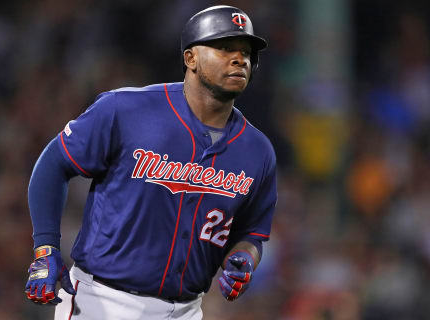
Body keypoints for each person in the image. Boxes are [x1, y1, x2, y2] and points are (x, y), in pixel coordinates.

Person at [24, 5, 277, 320]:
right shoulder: (126, 109)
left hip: (187, 309)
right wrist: (46, 248)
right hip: (101, 302)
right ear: (191, 58)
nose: (240, 59)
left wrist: (245, 258)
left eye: (247, 52)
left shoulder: (258, 150)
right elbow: (52, 165)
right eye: (225, 48)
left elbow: (251, 232)